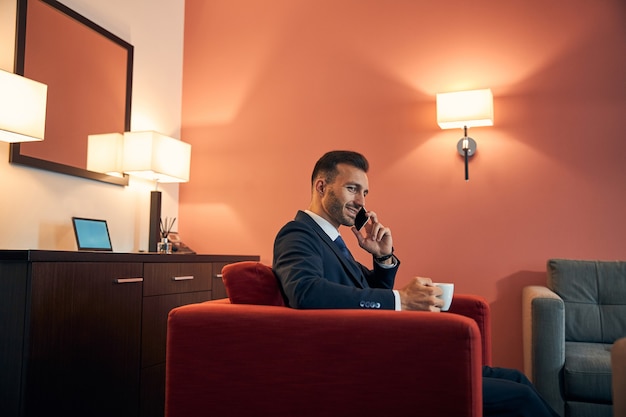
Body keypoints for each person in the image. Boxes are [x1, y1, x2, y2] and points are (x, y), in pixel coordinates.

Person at [272, 150, 559, 417]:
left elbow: (367, 295)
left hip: (383, 353)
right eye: (352, 188)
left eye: (365, 191)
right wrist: (402, 301)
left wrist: (383, 258)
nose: (361, 201)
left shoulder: (333, 241)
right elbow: (305, 292)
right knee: (520, 398)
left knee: (517, 378)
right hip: (360, 366)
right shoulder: (298, 233)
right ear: (322, 187)